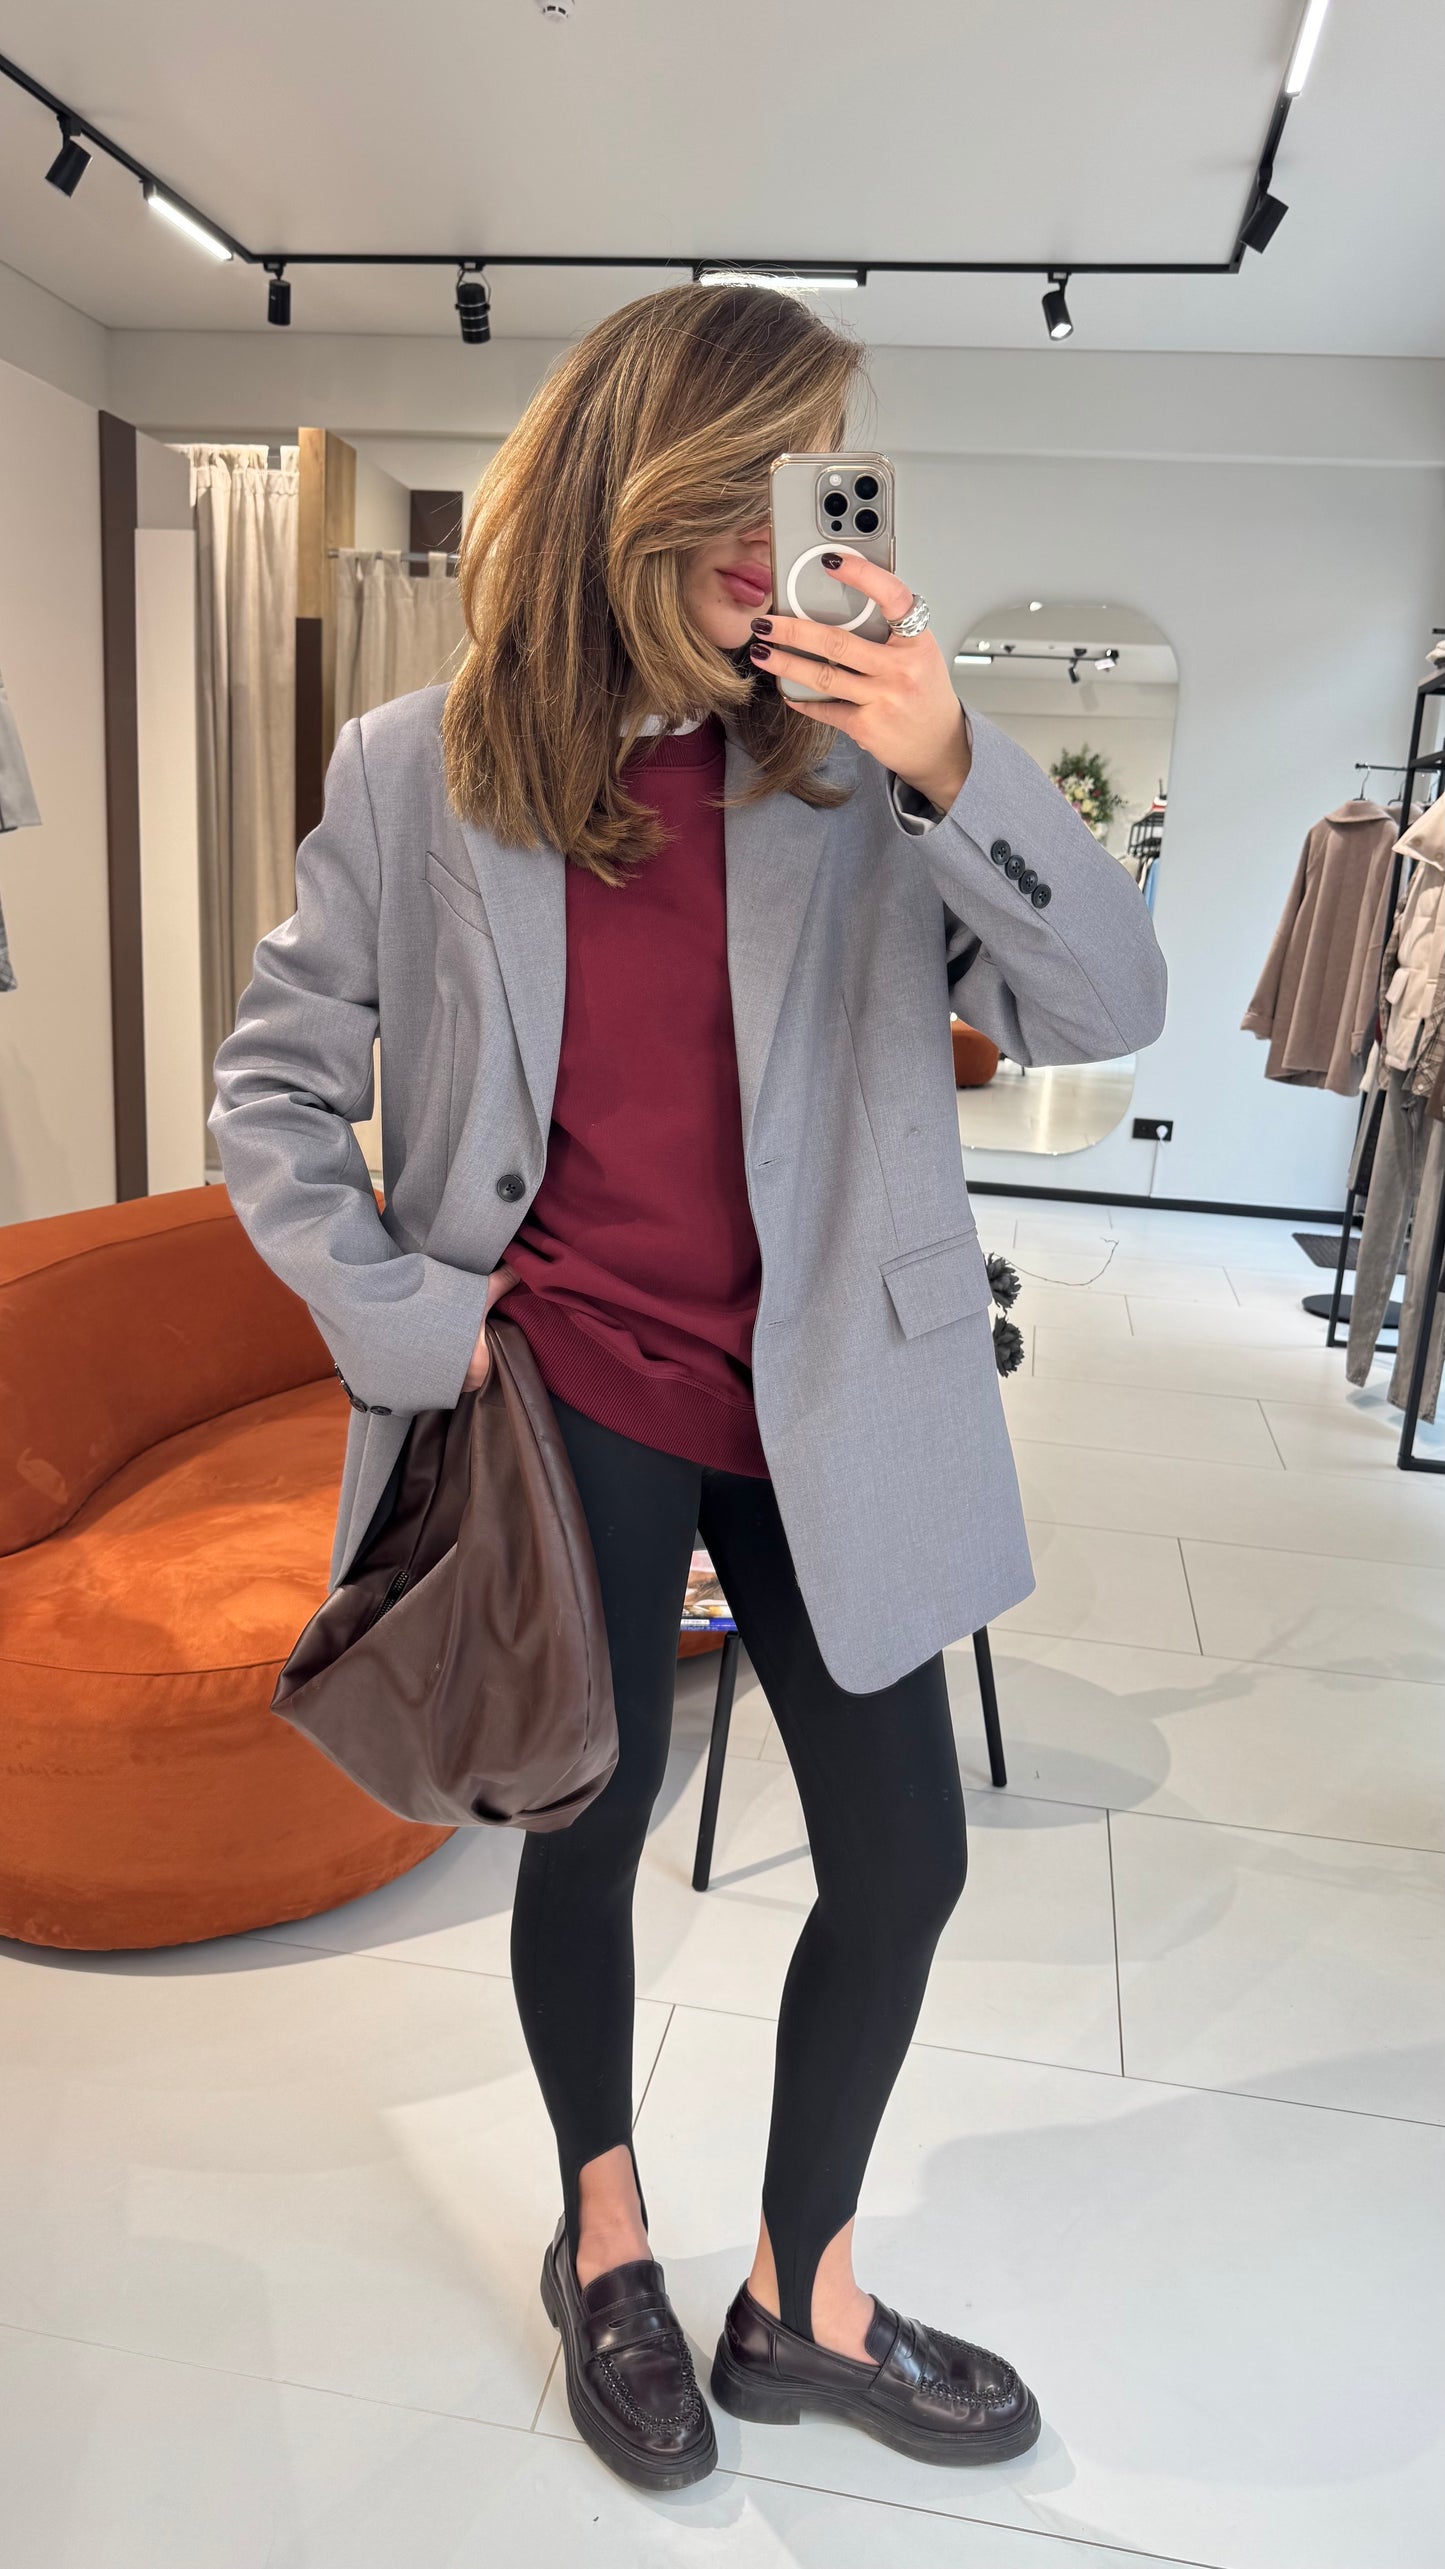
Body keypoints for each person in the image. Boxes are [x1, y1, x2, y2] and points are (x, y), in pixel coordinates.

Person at [212, 283, 1166, 2493]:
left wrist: (955, 760)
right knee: (591, 1815)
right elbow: (272, 1089)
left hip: (837, 1383)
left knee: (904, 1857)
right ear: (625, 481)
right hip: (569, 1383)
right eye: (732, 481)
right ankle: (607, 2235)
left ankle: (799, 2294)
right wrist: (415, 1320)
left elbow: (1110, 1002)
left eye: (808, 479)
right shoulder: (419, 766)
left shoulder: (858, 766)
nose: (772, 534)